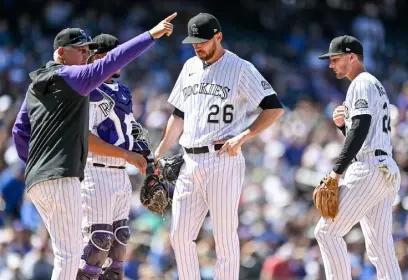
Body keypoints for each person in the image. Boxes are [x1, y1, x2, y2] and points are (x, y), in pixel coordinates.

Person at [11, 12, 177, 280]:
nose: (86, 56)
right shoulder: (72, 78)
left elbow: (20, 130)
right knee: (74, 252)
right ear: (61, 53)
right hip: (67, 174)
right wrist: (151, 35)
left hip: (42, 178)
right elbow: (110, 62)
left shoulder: (36, 84)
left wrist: (35, 166)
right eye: (81, 50)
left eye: (89, 50)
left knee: (89, 248)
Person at [154, 13, 284, 280]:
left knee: (224, 236)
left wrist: (244, 136)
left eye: (202, 41)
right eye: (193, 43)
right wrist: (159, 153)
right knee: (179, 235)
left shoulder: (240, 68)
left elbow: (273, 107)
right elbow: (178, 115)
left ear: (218, 37)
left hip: (222, 158)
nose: (197, 46)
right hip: (189, 161)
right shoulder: (189, 66)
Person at [314, 35, 402, 280]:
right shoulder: (374, 85)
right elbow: (364, 129)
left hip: (369, 168)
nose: (331, 65)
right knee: (381, 250)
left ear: (351, 57)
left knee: (326, 232)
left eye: (335, 59)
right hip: (384, 170)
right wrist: (344, 126)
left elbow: (362, 128)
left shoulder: (361, 83)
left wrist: (337, 171)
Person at [76, 34, 154, 280]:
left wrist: (148, 158)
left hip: (120, 172)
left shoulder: (123, 92)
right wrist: (127, 154)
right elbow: (86, 140)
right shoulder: (85, 87)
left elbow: (131, 128)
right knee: (97, 243)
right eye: (116, 56)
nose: (122, 61)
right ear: (99, 57)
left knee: (119, 245)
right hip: (95, 171)